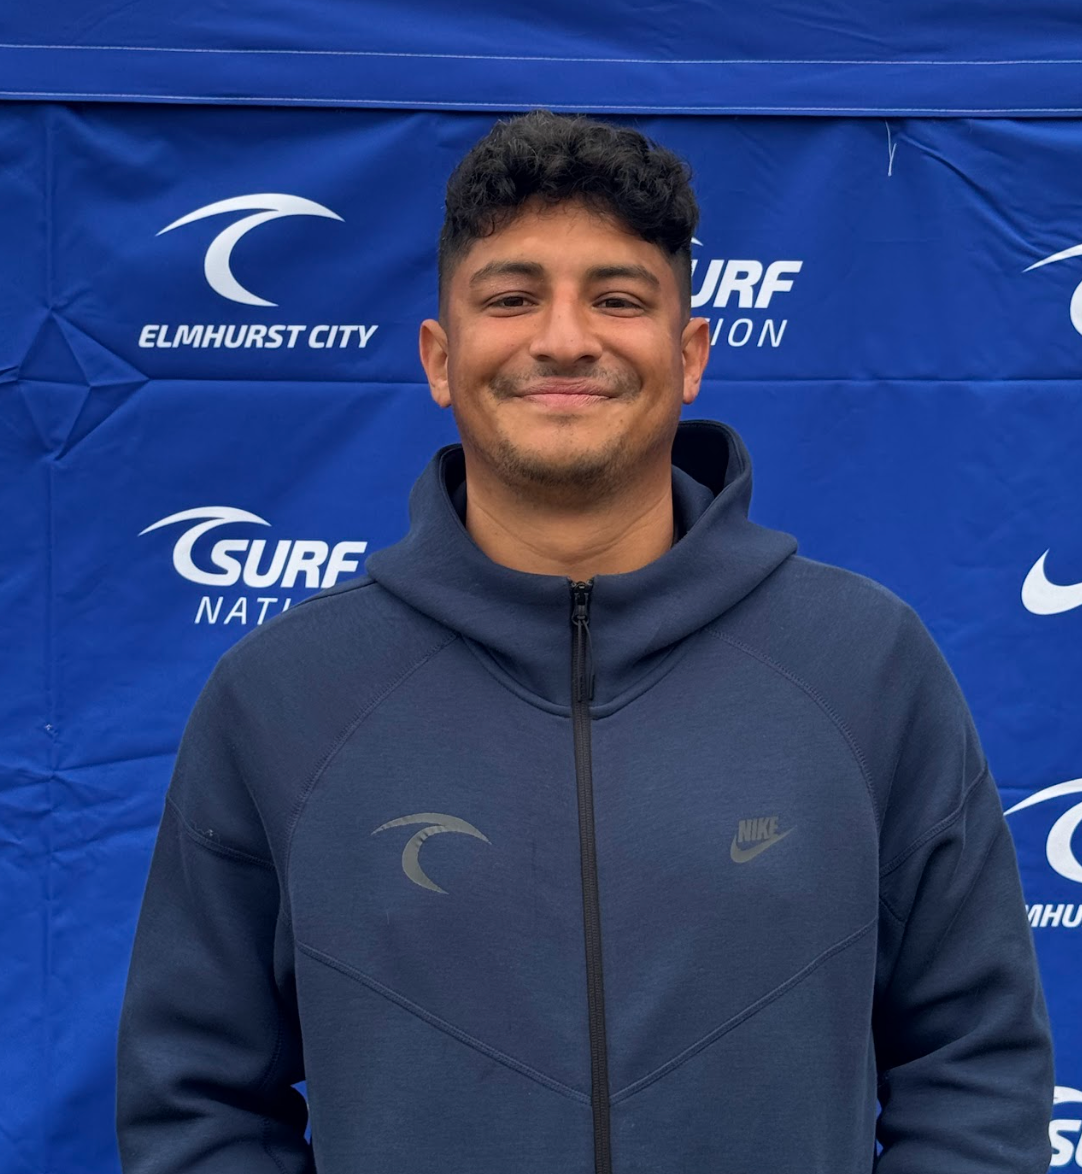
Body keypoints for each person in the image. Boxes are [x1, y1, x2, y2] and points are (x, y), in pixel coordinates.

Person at [116, 110, 1054, 1174]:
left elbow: (972, 1064)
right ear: (439, 355)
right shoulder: (280, 696)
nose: (563, 338)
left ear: (689, 352)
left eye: (617, 298)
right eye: (510, 298)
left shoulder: (865, 665)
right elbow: (195, 1099)